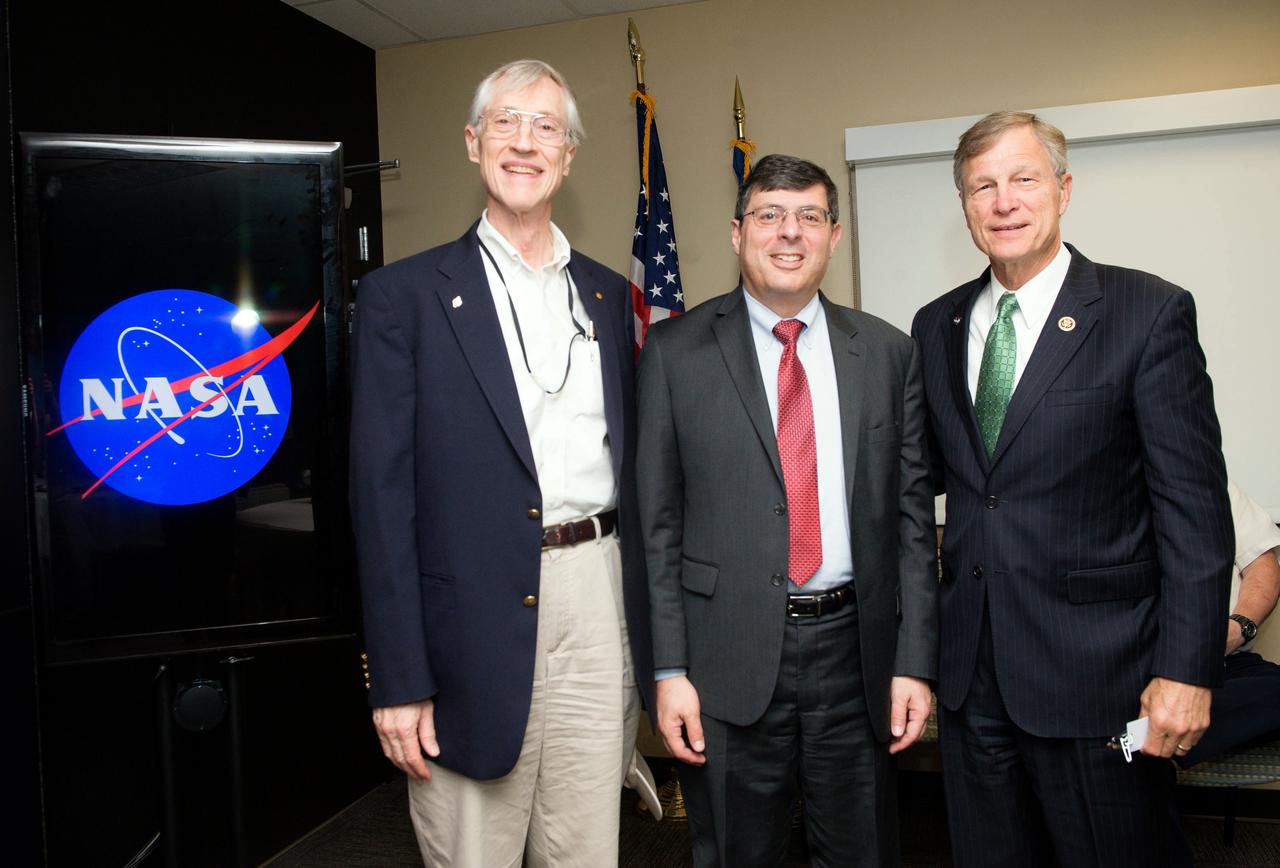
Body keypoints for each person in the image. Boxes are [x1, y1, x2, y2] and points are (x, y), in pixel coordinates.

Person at [348, 58, 653, 867]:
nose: (525, 142)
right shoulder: (404, 297)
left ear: (569, 155)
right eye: (506, 123)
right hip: (468, 624)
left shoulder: (606, 297)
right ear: (473, 142)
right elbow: (380, 502)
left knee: (587, 848)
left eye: (546, 126)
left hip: (598, 601)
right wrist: (397, 678)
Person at [911, 110, 1233, 866]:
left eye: (1023, 179)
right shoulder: (936, 325)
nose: (1004, 202)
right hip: (972, 683)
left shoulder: (1146, 312)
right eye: (982, 186)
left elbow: (1193, 514)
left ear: (1063, 189)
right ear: (964, 205)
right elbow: (924, 479)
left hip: (1102, 682)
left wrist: (1186, 672)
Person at [637, 154, 937, 867]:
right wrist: (667, 669)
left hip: (856, 654)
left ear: (834, 235)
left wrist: (915, 662)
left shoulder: (889, 352)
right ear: (737, 233)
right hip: (724, 656)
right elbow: (657, 527)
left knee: (863, 850)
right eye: (769, 214)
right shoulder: (675, 352)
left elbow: (911, 524)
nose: (789, 232)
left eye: (808, 216)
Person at [1179, 479, 1280, 765]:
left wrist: (1237, 629)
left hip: (1225, 662)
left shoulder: (1211, 483)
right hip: (1137, 671)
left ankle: (1148, 733)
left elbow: (1261, 563)